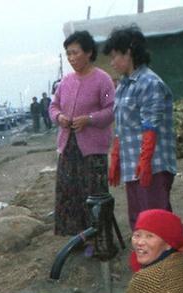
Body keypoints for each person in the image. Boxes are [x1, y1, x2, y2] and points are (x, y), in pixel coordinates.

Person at [103, 25, 177, 230]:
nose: (112, 62)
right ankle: (149, 262)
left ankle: (166, 262)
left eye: (115, 56)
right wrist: (116, 157)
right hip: (132, 165)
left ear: (129, 53)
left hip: (152, 166)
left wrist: (145, 161)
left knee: (156, 221)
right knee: (139, 222)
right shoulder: (123, 86)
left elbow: (150, 125)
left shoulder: (149, 83)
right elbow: (121, 126)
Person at [49, 30, 115, 235]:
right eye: (68, 54)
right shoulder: (65, 82)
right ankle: (74, 237)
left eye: (75, 52)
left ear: (88, 52)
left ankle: (97, 238)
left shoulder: (103, 80)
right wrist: (59, 117)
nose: (71, 58)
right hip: (68, 146)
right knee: (69, 192)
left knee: (93, 193)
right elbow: (53, 107)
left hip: (93, 150)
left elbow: (112, 109)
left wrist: (90, 119)